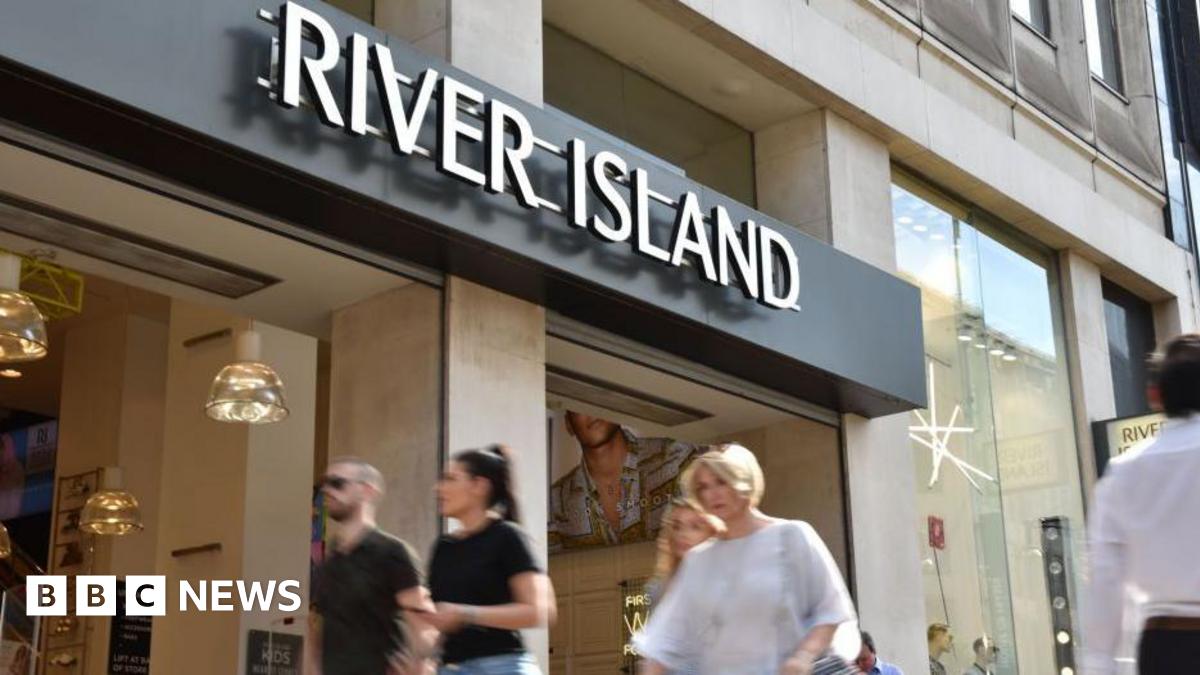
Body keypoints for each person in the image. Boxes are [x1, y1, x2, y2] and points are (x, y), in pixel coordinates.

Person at [634, 444, 857, 674]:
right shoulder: (698, 561)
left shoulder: (791, 537)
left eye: (721, 482)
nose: (712, 494)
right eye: (703, 487)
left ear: (744, 480)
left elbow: (831, 610)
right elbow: (663, 642)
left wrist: (803, 656)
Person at [1082, 333, 1200, 675]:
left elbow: (1104, 579)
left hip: (1165, 648)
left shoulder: (1124, 472)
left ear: (1154, 396)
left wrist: (1100, 664)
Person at [422, 445, 556, 674]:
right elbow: (436, 618)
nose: (438, 488)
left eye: (450, 478)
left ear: (479, 486)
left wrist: (466, 614)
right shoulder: (443, 547)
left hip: (502, 666)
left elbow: (541, 611)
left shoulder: (508, 536)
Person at [307, 458, 431, 675]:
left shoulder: (393, 553)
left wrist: (420, 666)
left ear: (367, 491)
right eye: (323, 483)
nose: (326, 490)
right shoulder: (330, 561)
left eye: (337, 483)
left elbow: (423, 623)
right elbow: (318, 629)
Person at [548, 411, 699, 551]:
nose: (591, 409)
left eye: (600, 395)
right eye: (579, 403)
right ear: (568, 424)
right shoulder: (556, 502)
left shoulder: (675, 458)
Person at [645, 496, 725, 607]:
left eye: (695, 527)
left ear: (712, 532)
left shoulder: (727, 582)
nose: (683, 534)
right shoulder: (659, 588)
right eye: (677, 527)